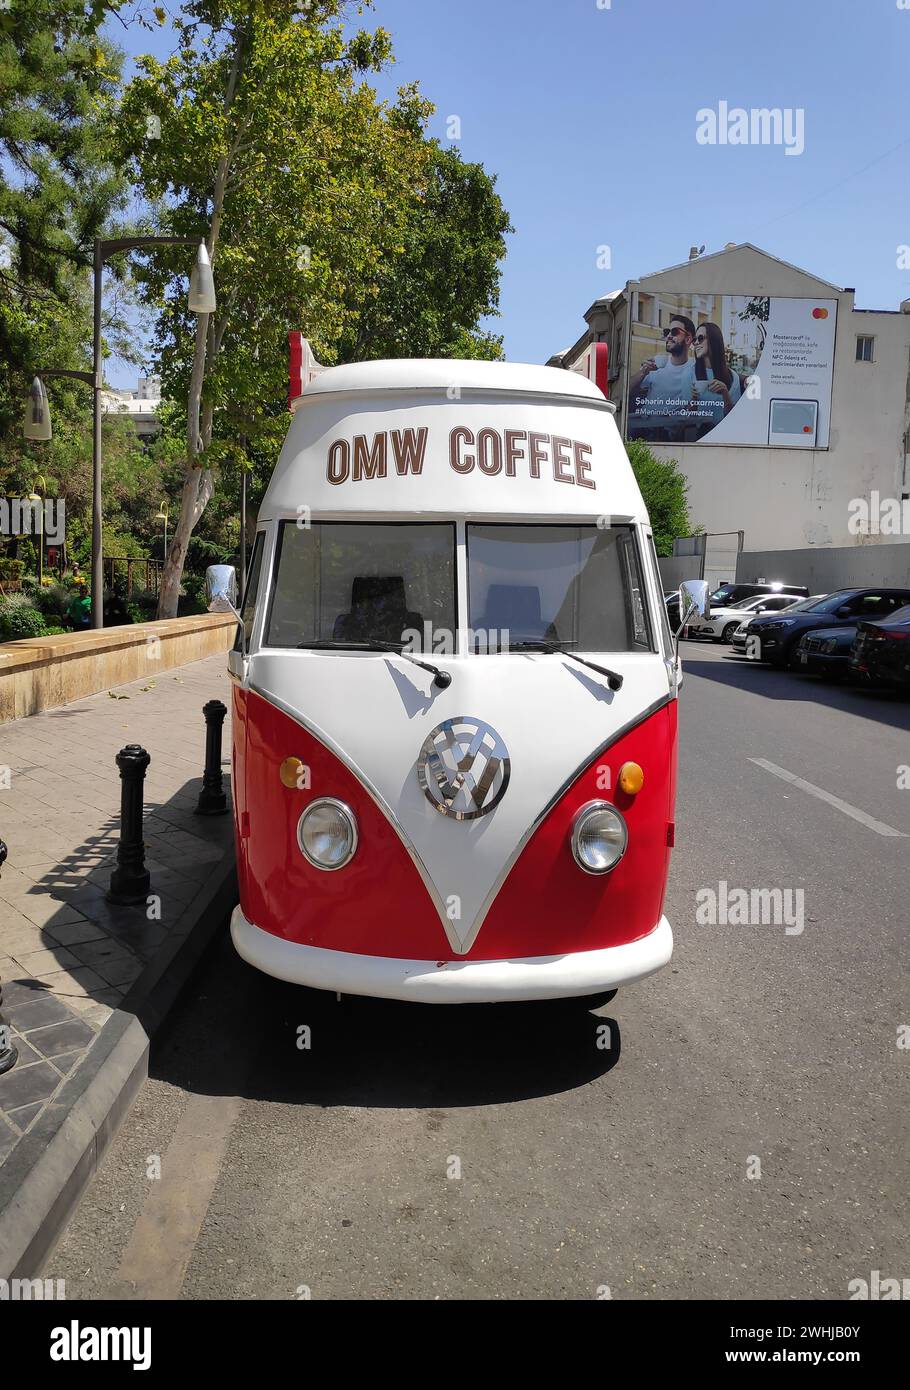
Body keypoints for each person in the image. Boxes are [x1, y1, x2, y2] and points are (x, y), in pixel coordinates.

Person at [627, 315, 697, 439]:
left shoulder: (695, 368)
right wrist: (643, 372)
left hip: (665, 432)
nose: (669, 336)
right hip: (640, 426)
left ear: (688, 339)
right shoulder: (657, 363)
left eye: (674, 332)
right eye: (667, 332)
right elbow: (628, 391)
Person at [686, 321, 741, 438]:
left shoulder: (732, 376)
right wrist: (694, 399)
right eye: (694, 339)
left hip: (726, 436)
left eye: (700, 338)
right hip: (700, 435)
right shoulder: (690, 373)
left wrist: (725, 394)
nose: (695, 343)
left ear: (713, 341)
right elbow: (686, 418)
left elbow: (734, 419)